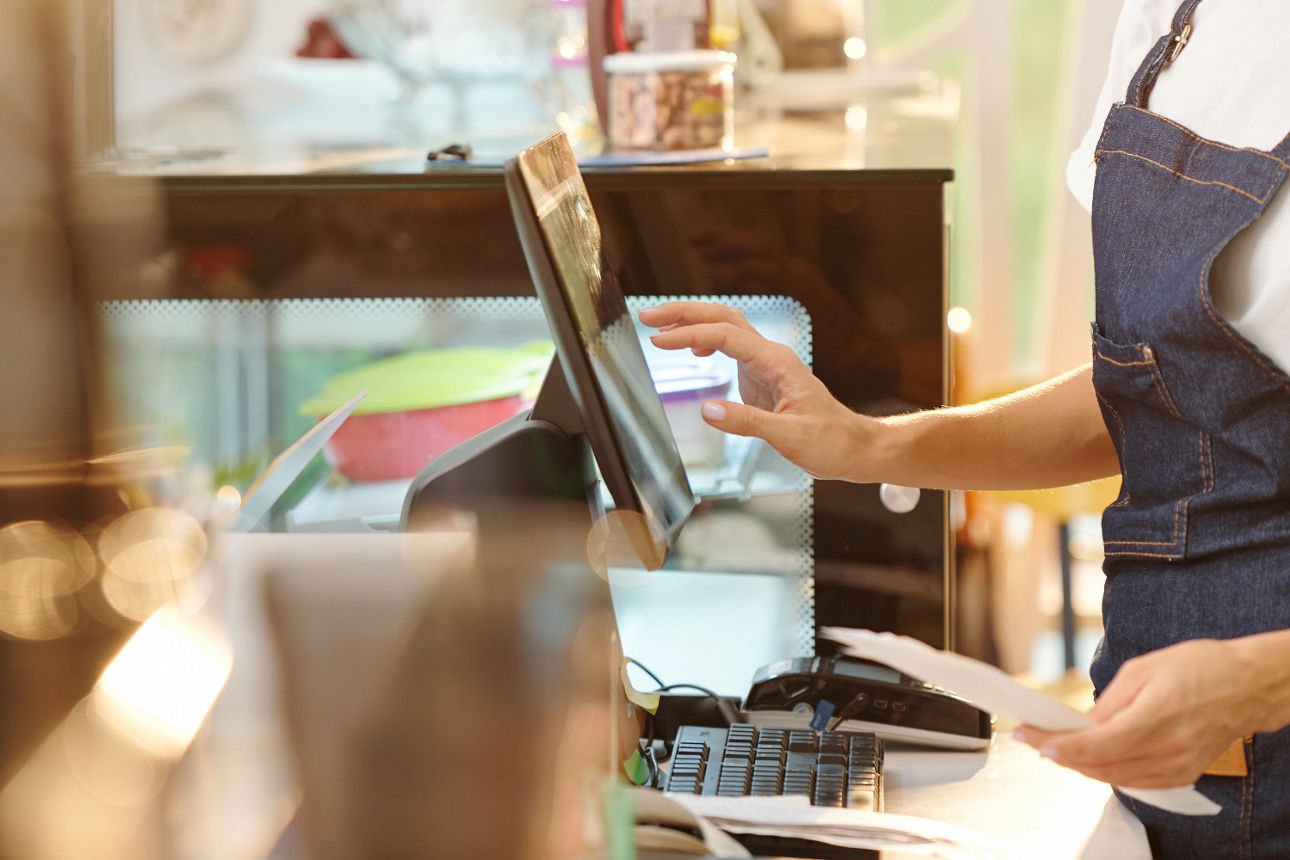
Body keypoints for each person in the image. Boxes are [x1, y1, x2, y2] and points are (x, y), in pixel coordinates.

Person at [640, 0, 1290, 854]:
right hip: (1161, 725)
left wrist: (1259, 679)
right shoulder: (1167, 21)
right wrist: (866, 443)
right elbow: (1158, 389)